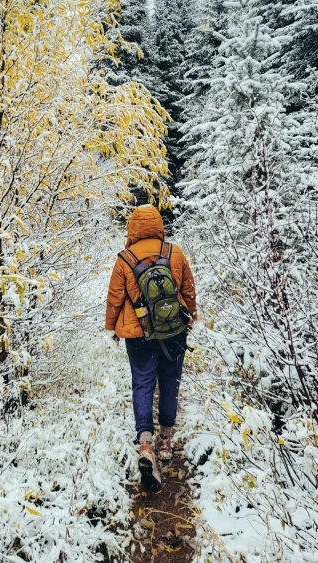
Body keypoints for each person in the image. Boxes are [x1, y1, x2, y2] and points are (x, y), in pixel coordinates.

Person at [104, 204, 197, 490]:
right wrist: (190, 318)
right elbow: (188, 290)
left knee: (143, 383)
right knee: (171, 381)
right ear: (158, 225)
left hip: (138, 333)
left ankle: (146, 443)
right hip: (173, 331)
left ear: (132, 227)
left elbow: (114, 298)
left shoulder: (125, 259)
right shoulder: (174, 253)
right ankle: (166, 441)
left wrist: (111, 327)